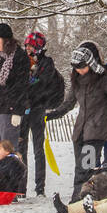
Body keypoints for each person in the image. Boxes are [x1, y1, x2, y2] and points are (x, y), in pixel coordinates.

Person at [46, 41, 107, 202]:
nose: (79, 70)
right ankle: (77, 199)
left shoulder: (102, 79)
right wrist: (54, 114)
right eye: (76, 67)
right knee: (80, 169)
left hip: (96, 131)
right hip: (80, 132)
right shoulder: (76, 81)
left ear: (90, 63)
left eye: (82, 67)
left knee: (86, 168)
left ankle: (83, 199)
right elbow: (69, 103)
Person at [21, 32, 64, 197]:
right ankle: (21, 187)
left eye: (31, 46)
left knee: (38, 148)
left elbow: (42, 84)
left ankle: (40, 187)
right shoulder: (22, 61)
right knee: (21, 148)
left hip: (38, 108)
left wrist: (31, 84)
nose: (28, 49)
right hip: (24, 109)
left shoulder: (47, 62)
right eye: (26, 46)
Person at [0, 23, 31, 163]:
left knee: (7, 148)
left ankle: (9, 181)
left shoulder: (19, 56)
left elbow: (22, 85)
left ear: (6, 40)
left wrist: (17, 110)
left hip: (10, 110)